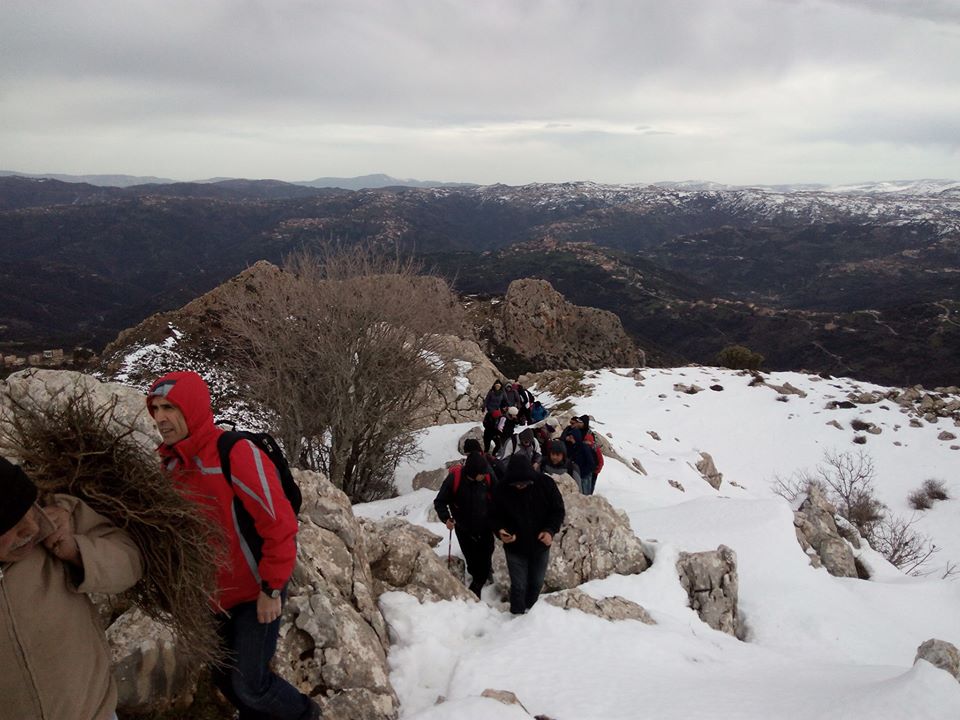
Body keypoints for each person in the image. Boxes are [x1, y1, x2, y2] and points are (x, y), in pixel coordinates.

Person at [147, 371, 319, 720]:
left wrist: (272, 588)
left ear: (193, 409)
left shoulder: (234, 452)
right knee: (226, 680)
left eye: (169, 407)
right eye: (155, 408)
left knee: (251, 684)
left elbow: (279, 522)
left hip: (256, 592)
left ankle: (308, 716)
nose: (161, 417)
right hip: (211, 597)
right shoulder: (170, 465)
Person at [0, 456, 143, 720]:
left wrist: (78, 551)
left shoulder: (56, 516)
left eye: (28, 510)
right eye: (14, 528)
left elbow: (131, 563)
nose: (32, 528)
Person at [492, 454, 565, 615]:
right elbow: (494, 516)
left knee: (537, 583)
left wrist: (550, 530)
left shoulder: (545, 484)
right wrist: (500, 531)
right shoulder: (501, 489)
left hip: (540, 546)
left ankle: (531, 614)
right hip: (514, 547)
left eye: (524, 483)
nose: (520, 486)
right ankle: (516, 616)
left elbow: (558, 510)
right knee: (518, 586)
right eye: (516, 483)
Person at [433, 452, 496, 597]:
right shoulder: (454, 479)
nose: (484, 475)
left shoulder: (486, 478)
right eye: (481, 474)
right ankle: (478, 578)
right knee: (472, 561)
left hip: (485, 526)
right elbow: (440, 501)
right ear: (473, 472)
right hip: (464, 529)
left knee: (486, 556)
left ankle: (477, 587)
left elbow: (497, 495)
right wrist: (446, 518)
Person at [563, 423, 596, 495]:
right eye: (570, 437)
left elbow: (591, 464)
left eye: (572, 437)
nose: (570, 439)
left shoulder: (584, 447)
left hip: (584, 476)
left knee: (584, 495)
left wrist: (582, 473)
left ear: (576, 437)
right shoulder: (573, 447)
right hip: (577, 475)